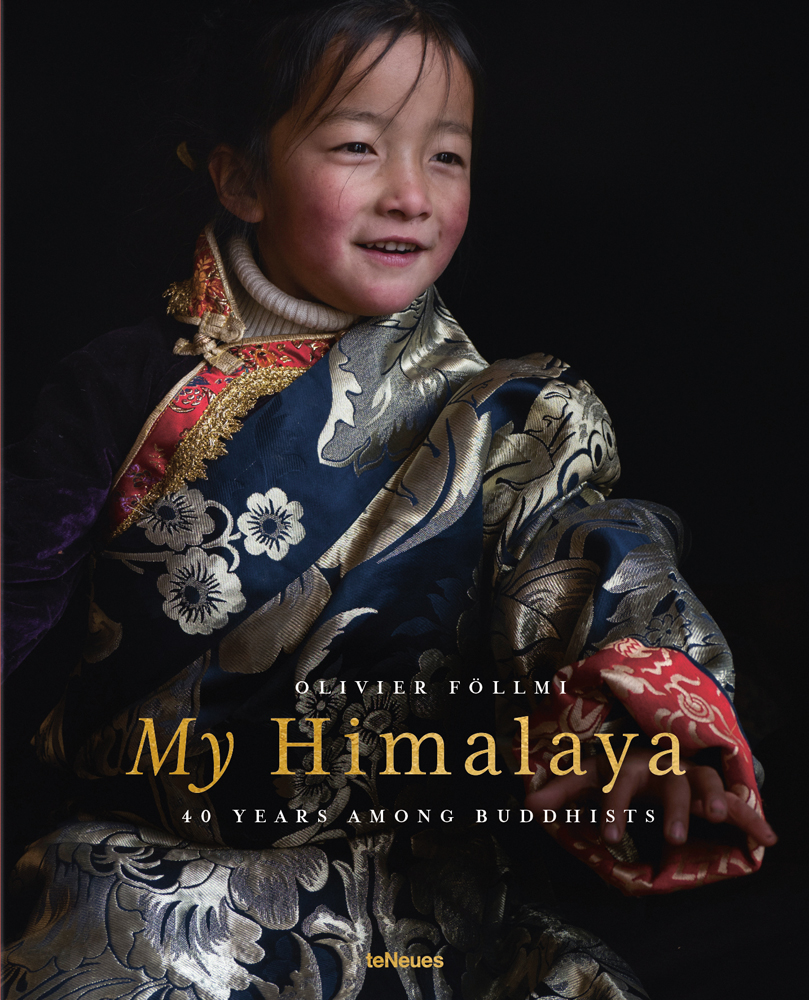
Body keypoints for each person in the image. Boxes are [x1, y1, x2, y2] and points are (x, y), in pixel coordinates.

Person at [2, 2, 776, 997]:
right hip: (162, 883)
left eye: (446, 157)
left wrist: (641, 706)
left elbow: (583, 549)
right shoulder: (122, 389)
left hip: (421, 892)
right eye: (359, 146)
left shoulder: (503, 422)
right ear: (238, 174)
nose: (412, 194)